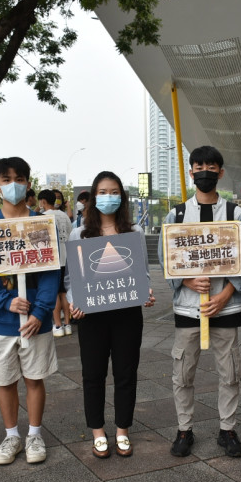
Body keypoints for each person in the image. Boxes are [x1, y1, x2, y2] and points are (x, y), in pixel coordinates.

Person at [157, 145, 241, 458]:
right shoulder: (177, 214)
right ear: (191, 171)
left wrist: (227, 293)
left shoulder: (235, 214)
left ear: (220, 172)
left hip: (226, 308)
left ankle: (228, 430)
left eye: (211, 167)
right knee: (183, 373)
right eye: (199, 166)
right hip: (188, 307)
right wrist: (185, 280)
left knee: (229, 372)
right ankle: (184, 429)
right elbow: (165, 257)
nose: (204, 172)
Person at [0, 157, 59, 466]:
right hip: (0, 322)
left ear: (28, 184)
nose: (13, 185)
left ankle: (34, 434)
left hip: (36, 321)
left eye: (19, 179)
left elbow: (51, 273)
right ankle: (12, 436)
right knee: (4, 381)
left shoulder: (41, 223)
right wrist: (4, 301)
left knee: (35, 379)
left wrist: (40, 311)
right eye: (6, 180)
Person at [67, 171, 155, 458]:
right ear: (93, 197)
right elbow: (70, 279)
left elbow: (141, 273)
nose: (108, 197)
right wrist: (73, 301)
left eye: (114, 191)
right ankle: (97, 431)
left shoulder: (134, 232)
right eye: (102, 192)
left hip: (127, 313)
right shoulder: (79, 233)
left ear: (122, 196)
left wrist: (147, 293)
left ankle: (122, 430)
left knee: (126, 373)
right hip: (91, 315)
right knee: (92, 374)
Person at [37, 189, 73, 337]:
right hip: (66, 257)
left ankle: (57, 325)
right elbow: (71, 235)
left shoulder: (42, 217)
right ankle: (68, 324)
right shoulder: (64, 215)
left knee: (54, 293)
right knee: (64, 292)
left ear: (43, 201)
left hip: (52, 259)